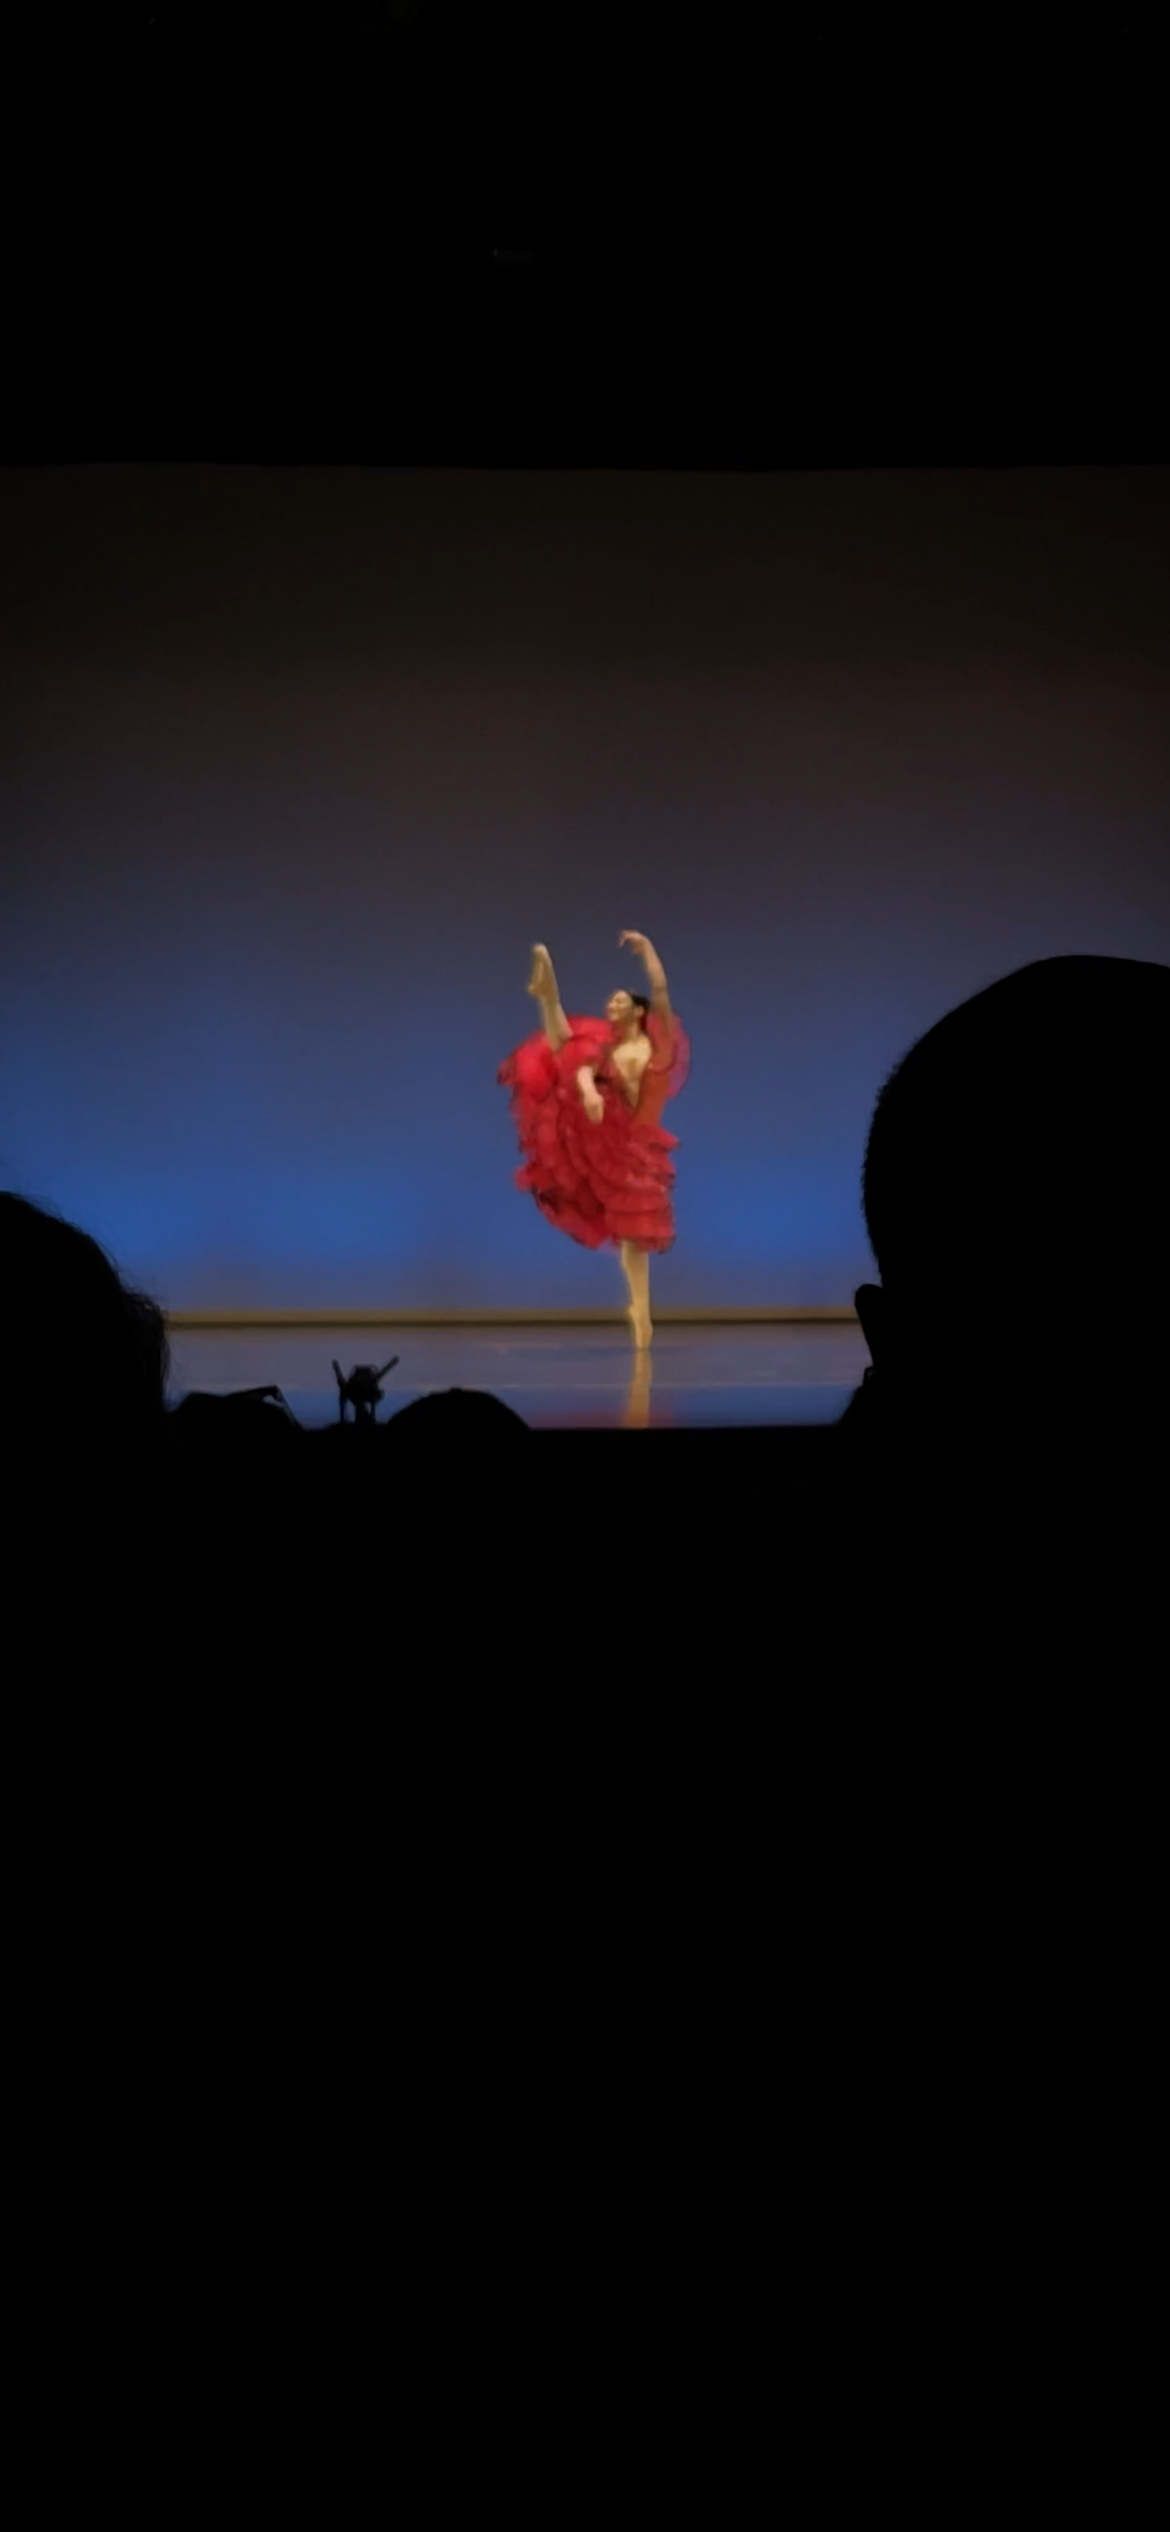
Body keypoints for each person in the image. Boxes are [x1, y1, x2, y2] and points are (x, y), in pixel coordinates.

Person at [498, 931, 689, 1347]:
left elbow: (660, 988)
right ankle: (548, 996)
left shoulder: (656, 1046)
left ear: (638, 1010)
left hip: (635, 1145)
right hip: (601, 1134)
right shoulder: (604, 1048)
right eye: (611, 1002)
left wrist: (647, 950)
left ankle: (640, 1310)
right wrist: (587, 1090)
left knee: (634, 1232)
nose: (611, 1005)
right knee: (566, 1045)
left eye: (620, 1001)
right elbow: (580, 1066)